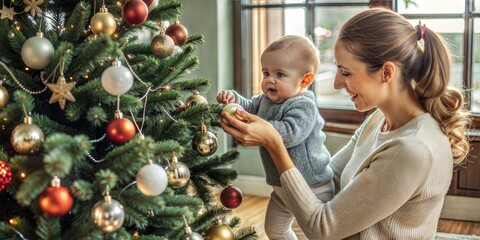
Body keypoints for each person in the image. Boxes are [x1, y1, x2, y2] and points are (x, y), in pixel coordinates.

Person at [221, 8, 470, 239]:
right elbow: (333, 177)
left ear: (386, 73)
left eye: (346, 72)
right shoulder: (380, 120)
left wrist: (275, 144)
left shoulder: (411, 150)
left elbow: (323, 229)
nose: (338, 83)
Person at [217, 35, 334, 239]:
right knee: (274, 230)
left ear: (305, 80)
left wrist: (262, 127)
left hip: (311, 186)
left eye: (280, 74)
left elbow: (289, 134)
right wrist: (234, 99)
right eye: (266, 73)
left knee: (315, 234)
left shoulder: (304, 105)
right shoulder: (265, 100)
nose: (270, 80)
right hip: (282, 187)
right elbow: (248, 108)